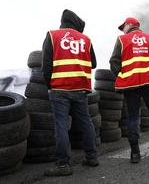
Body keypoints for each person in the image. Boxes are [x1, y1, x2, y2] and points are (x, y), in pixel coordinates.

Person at [42, 9, 99, 176]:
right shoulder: (86, 39)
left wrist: (49, 86)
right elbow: (93, 63)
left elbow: (46, 66)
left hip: (59, 88)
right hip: (81, 88)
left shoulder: (52, 36)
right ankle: (91, 157)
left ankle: (63, 165)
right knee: (86, 122)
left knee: (61, 124)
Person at [109, 17, 149, 163]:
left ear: (130, 25)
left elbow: (114, 62)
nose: (123, 29)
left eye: (123, 26)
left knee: (133, 118)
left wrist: (123, 76)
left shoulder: (122, 40)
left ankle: (135, 154)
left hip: (130, 85)